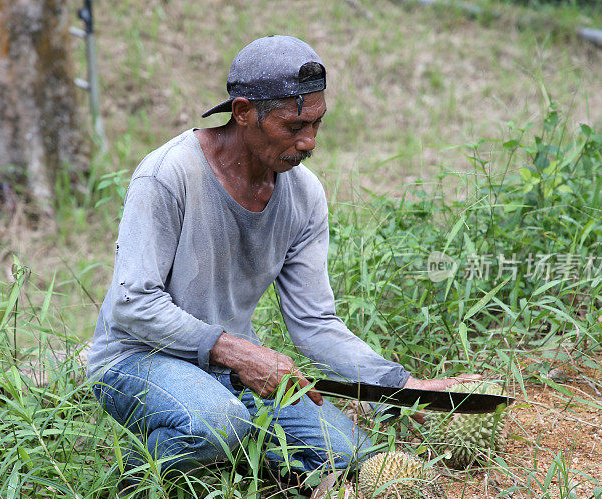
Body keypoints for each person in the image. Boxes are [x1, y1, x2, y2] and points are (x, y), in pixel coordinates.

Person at [89, 35, 477, 476]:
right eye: (294, 127)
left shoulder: (304, 195)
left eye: (317, 124)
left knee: (353, 458)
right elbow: (133, 303)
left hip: (230, 368)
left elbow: (314, 322)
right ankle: (138, 486)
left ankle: (239, 457)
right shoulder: (168, 175)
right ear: (243, 112)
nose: (310, 142)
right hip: (138, 357)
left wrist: (399, 385)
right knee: (219, 424)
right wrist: (237, 352)